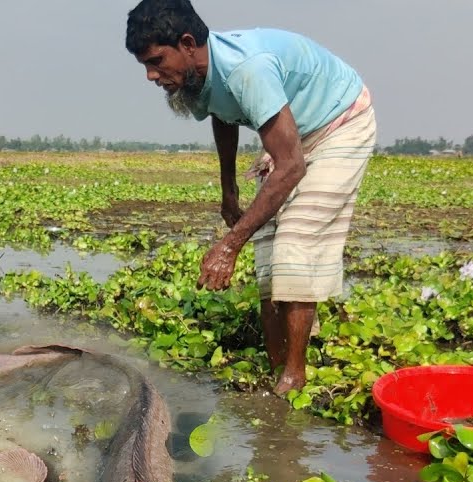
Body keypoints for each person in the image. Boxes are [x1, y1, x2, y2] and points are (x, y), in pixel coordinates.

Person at [125, 0, 376, 394]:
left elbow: (291, 165)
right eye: (145, 65)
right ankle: (278, 365)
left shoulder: (248, 70)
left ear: (188, 44)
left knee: (295, 245)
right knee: (268, 261)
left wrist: (229, 244)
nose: (151, 75)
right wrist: (229, 189)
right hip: (290, 132)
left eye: (157, 61)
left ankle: (294, 377)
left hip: (337, 123)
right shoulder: (197, 77)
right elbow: (222, 114)